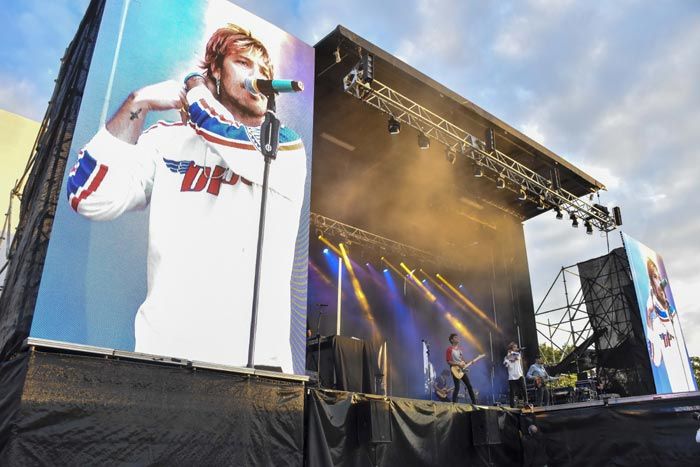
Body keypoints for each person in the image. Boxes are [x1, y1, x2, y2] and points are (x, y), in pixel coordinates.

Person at [66, 24, 307, 372]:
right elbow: (87, 195)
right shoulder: (167, 140)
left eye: (264, 71)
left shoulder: (281, 145)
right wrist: (138, 102)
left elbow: (218, 129)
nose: (258, 77)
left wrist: (194, 86)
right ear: (217, 73)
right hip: (165, 361)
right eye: (244, 63)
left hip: (254, 370)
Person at [644, 258, 695, 391]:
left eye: (659, 276)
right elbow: (656, 360)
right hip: (675, 385)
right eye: (655, 277)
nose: (659, 281)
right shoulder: (652, 311)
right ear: (651, 281)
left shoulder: (671, 311)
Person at [445, 333, 478, 404]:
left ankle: (474, 402)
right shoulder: (449, 349)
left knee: (469, 385)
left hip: (461, 370)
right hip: (454, 369)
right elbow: (448, 361)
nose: (457, 338)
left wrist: (467, 363)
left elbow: (462, 361)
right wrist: (458, 364)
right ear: (451, 340)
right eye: (455, 337)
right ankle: (453, 403)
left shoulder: (460, 350)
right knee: (457, 387)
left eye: (457, 337)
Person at [504, 342, 528, 408]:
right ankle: (512, 406)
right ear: (511, 348)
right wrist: (509, 358)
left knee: (523, 388)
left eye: (516, 347)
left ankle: (526, 402)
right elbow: (505, 364)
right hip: (511, 377)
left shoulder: (518, 354)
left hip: (519, 375)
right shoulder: (506, 357)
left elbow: (515, 358)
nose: (516, 348)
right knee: (512, 392)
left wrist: (510, 358)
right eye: (515, 347)